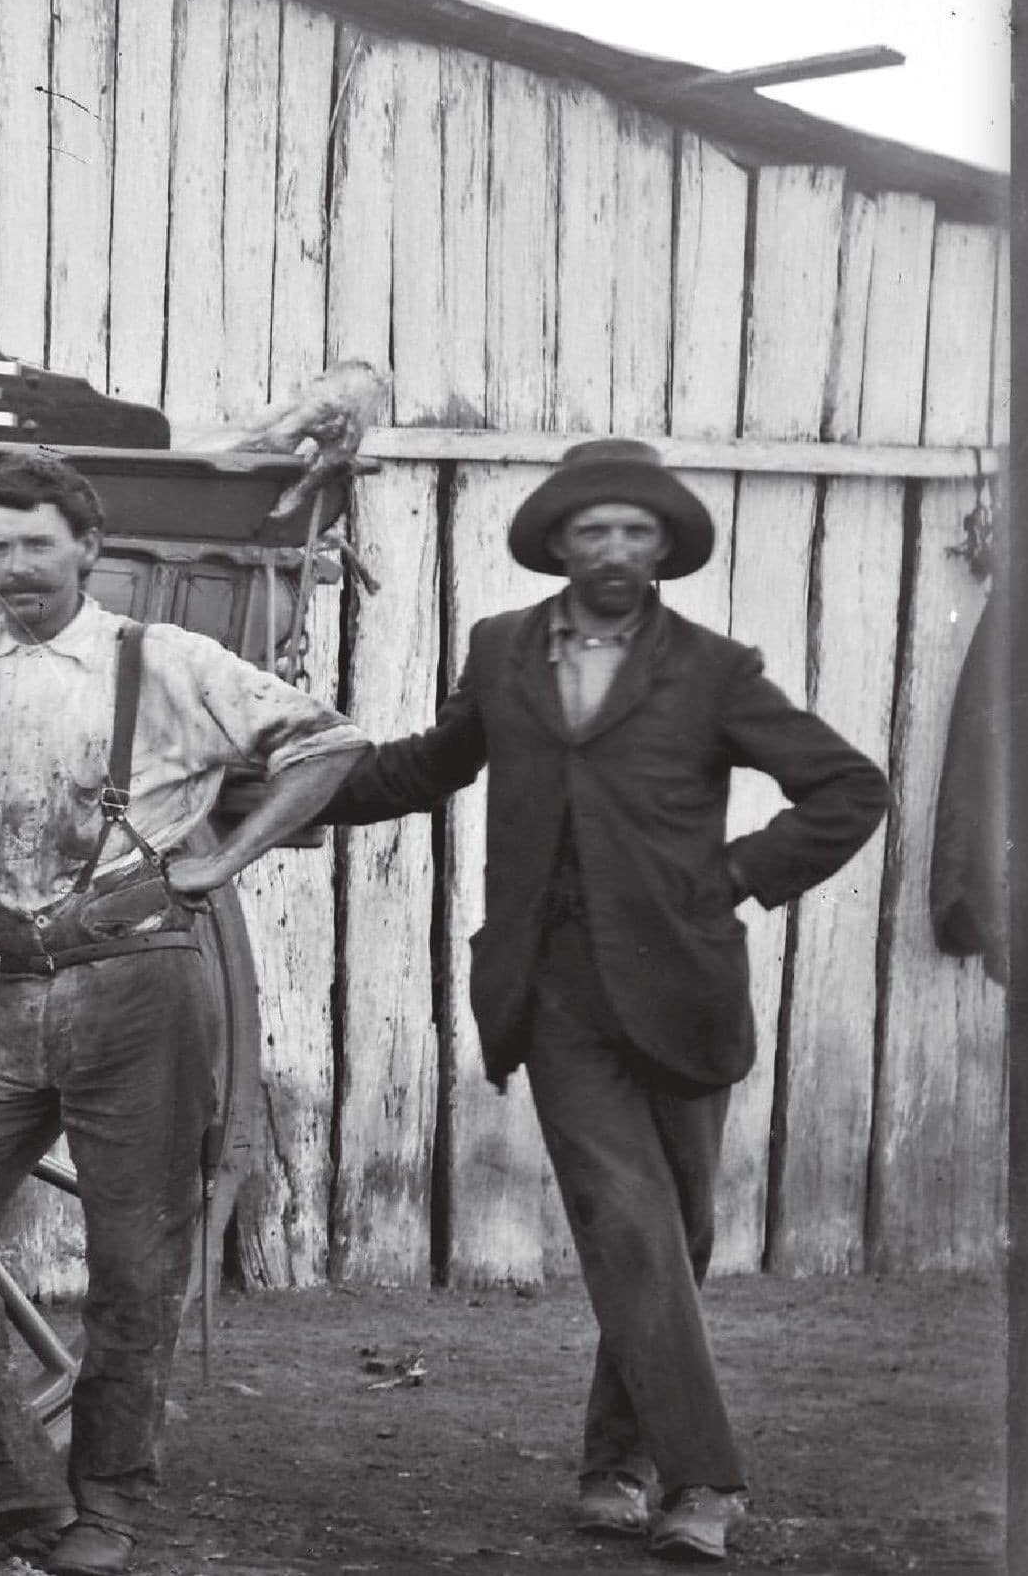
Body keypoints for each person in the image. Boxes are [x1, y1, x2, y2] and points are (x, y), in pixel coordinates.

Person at [315, 440, 888, 1564]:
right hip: (554, 987)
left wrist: (735, 872)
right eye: (593, 530)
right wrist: (288, 791)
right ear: (558, 542)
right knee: (626, 1222)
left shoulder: (715, 668)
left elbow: (847, 786)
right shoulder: (499, 649)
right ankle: (702, 1483)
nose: (615, 549)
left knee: (672, 1233)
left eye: (636, 531)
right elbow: (432, 763)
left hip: (682, 985)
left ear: (662, 545)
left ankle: (610, 1465)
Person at [0, 449, 367, 1575]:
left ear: (86, 549)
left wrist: (227, 859)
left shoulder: (157, 659)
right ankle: (8, 1493)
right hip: (17, 986)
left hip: (139, 980)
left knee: (130, 1259)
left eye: (35, 545)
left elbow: (327, 741)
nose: (13, 566)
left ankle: (107, 1500)